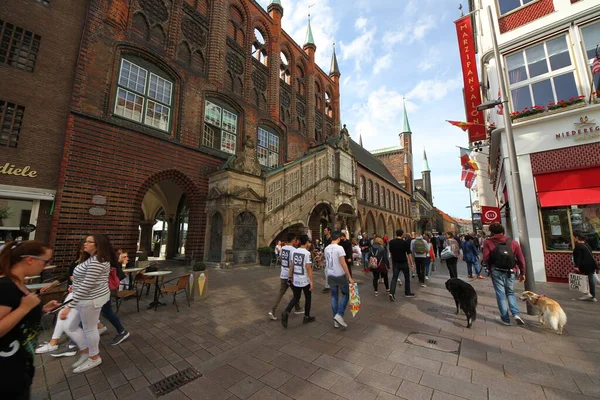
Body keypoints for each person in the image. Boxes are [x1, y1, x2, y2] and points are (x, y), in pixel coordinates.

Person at [0, 241, 60, 399]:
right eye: (46, 261)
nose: (46, 265)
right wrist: (24, 309)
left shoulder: (18, 283)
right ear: (30, 260)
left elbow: (15, 316)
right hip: (6, 370)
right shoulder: (5, 286)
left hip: (20, 364)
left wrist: (41, 309)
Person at [61, 234, 113, 373]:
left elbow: (87, 285)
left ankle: (94, 357)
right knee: (72, 326)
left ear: (98, 245)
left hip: (89, 300)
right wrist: (75, 286)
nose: (85, 243)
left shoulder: (97, 261)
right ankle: (86, 351)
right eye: (86, 241)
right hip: (85, 298)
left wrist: (69, 306)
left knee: (89, 329)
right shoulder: (91, 259)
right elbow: (85, 281)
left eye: (89, 242)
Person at [483, 223, 526, 326]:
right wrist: (522, 273)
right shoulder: (513, 242)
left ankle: (505, 319)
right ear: (503, 231)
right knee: (510, 292)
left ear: (491, 232)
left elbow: (486, 257)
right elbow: (521, 259)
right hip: (510, 271)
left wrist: (489, 267)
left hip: (496, 270)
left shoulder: (488, 242)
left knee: (500, 294)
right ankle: (516, 314)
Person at [281, 235, 315, 328]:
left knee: (296, 297)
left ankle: (287, 311)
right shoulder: (307, 253)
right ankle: (306, 316)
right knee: (308, 297)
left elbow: (291, 265)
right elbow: (308, 268)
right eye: (308, 242)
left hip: (296, 279)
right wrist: (311, 281)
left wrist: (290, 277)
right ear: (307, 242)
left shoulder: (294, 251)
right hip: (304, 280)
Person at [268, 234, 303, 320]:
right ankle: (297, 308)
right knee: (296, 292)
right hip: (290, 275)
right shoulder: (294, 250)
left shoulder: (283, 248)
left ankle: (272, 310)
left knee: (281, 292)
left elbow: (280, 259)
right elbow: (292, 264)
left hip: (283, 273)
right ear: (294, 240)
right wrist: (291, 276)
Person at [324, 231, 354, 328]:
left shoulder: (326, 248)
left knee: (334, 296)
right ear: (338, 238)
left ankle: (335, 321)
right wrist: (349, 276)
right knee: (346, 294)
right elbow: (343, 263)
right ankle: (339, 314)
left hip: (330, 274)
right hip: (340, 274)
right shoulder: (339, 248)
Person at [102, 252, 130, 346]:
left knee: (106, 312)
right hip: (100, 291)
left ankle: (73, 344)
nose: (86, 244)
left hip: (103, 290)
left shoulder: (104, 259)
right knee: (106, 312)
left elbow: (121, 274)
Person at [573, 231, 599, 302]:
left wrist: (577, 266)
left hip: (585, 266)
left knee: (586, 280)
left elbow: (578, 257)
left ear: (577, 237)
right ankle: (591, 295)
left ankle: (589, 295)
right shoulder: (587, 245)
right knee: (590, 280)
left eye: (573, 237)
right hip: (591, 265)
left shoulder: (578, 246)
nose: (573, 239)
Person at [388, 229, 414, 300]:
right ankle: (407, 292)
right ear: (402, 234)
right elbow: (408, 254)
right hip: (403, 262)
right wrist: (412, 264)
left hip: (395, 262)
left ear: (396, 234)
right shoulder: (404, 243)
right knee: (407, 277)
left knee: (394, 278)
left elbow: (391, 252)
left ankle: (392, 292)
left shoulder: (391, 242)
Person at [321, 227, 332, 293]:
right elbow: (324, 246)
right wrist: (322, 253)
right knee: (326, 271)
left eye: (325, 230)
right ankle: (327, 285)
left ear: (329, 231)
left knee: (329, 270)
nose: (324, 231)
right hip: (326, 256)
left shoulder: (332, 238)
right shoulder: (325, 237)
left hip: (331, 255)